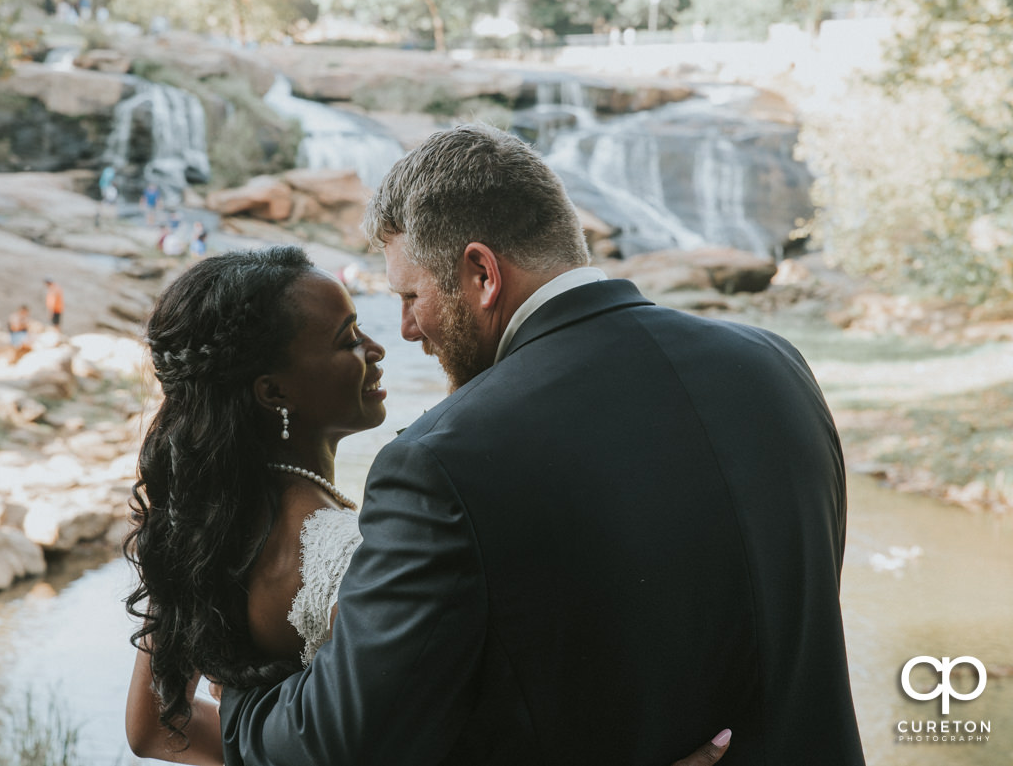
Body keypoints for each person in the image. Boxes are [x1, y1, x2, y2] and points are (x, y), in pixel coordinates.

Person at [217, 124, 865, 764]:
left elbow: (341, 741)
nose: (408, 329)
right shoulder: (775, 366)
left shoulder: (443, 460)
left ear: (481, 273)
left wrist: (238, 702)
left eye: (412, 296)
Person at [123, 248, 733, 766]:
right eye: (347, 339)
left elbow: (153, 728)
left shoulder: (197, 527)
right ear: (273, 391)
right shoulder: (342, 553)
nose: (377, 347)